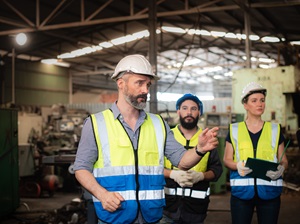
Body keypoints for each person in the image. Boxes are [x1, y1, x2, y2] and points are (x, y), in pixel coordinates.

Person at [73, 54, 219, 224]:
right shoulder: (96, 123)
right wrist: (101, 194)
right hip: (114, 216)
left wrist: (199, 149)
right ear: (121, 83)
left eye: (148, 84)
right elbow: (81, 168)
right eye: (139, 83)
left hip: (152, 216)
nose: (145, 90)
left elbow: (182, 161)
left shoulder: (158, 124)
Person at [223, 82, 288, 224]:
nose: (260, 104)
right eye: (254, 100)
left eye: (262, 100)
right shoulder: (234, 129)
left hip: (269, 192)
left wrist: (281, 168)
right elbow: (227, 159)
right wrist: (237, 165)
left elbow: (284, 159)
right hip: (241, 193)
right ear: (245, 105)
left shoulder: (275, 130)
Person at [162, 93, 223, 224]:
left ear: (199, 112)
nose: (189, 112)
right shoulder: (168, 136)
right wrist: (172, 174)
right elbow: (153, 167)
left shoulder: (206, 138)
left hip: (196, 209)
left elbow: (217, 171)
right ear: (178, 111)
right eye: (184, 108)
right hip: (168, 208)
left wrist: (201, 176)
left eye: (193, 109)